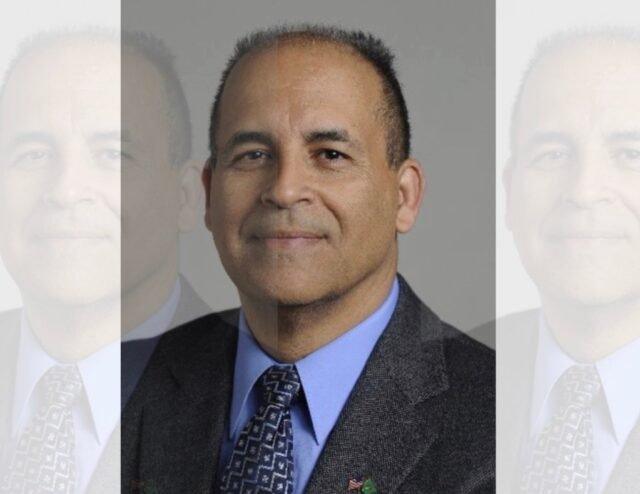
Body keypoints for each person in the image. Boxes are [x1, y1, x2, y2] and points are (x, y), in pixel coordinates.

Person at [123, 25, 495, 494]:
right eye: (253, 155)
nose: (284, 190)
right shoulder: (118, 385)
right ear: (209, 194)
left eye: (330, 155)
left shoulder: (510, 425)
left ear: (403, 197)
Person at [0, 30, 207, 493]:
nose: (66, 190)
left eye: (114, 154)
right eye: (33, 154)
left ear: (185, 196)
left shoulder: (258, 398)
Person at [498, 30, 640, 493]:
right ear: (510, 192)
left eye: (630, 154)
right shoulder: (444, 371)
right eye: (553, 154)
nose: (584, 190)